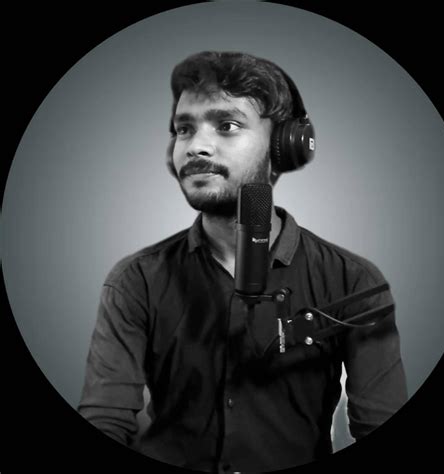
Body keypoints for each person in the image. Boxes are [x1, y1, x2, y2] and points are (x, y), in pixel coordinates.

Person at [78, 51, 408, 473]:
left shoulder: (353, 281)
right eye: (184, 129)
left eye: (227, 125)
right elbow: (104, 420)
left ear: (283, 148)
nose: (195, 146)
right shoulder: (135, 280)